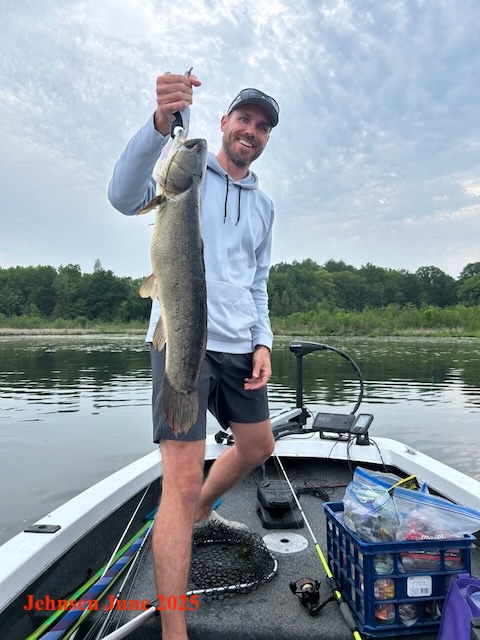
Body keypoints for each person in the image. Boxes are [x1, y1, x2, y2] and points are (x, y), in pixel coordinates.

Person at [108, 72, 279, 640]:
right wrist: (162, 124)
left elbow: (258, 282)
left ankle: (206, 505)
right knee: (177, 486)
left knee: (257, 446)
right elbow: (123, 196)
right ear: (225, 122)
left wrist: (263, 341)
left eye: (262, 126)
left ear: (266, 138)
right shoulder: (186, 175)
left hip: (239, 346)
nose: (251, 131)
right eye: (244, 119)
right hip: (183, 341)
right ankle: (174, 629)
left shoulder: (265, 207)